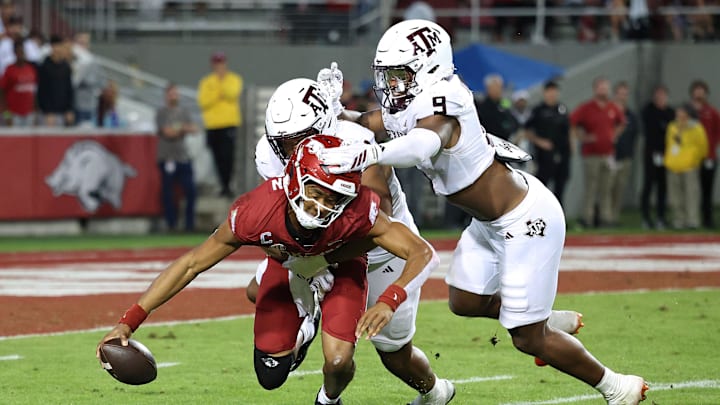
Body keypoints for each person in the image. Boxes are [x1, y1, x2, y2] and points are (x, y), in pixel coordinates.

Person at [314, 19, 648, 405]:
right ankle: (547, 319)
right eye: (387, 76)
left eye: (400, 75)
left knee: (526, 338)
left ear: (428, 68)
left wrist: (372, 152)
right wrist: (329, 113)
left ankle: (616, 386)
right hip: (488, 222)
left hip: (525, 219)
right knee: (465, 301)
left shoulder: (445, 97)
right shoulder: (410, 102)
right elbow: (366, 122)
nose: (391, 86)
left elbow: (423, 144)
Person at [96, 134, 440, 405]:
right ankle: (307, 321)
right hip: (291, 263)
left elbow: (422, 252)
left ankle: (328, 399)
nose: (321, 207)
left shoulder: (358, 209)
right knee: (270, 375)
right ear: (293, 180)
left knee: (337, 363)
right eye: (315, 192)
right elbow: (191, 265)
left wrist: (389, 299)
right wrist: (129, 320)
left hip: (341, 265)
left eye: (333, 199)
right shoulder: (256, 209)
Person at [253, 78, 455, 405]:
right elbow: (275, 215)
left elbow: (374, 223)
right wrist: (291, 255)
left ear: (323, 127)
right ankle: (309, 323)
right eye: (283, 141)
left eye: (299, 140)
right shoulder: (269, 154)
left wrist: (315, 261)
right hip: (317, 246)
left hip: (380, 253)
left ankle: (435, 392)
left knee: (394, 354)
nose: (290, 151)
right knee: (258, 290)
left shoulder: (355, 144)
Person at [571, 77, 626, 228]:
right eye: (601, 87)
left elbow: (622, 122)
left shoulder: (612, 107)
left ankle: (605, 218)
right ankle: (587, 218)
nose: (604, 90)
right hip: (591, 154)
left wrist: (614, 135)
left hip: (608, 154)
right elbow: (572, 122)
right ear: (595, 89)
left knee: (606, 188)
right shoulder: (587, 107)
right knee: (591, 187)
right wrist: (582, 137)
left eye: (606, 88)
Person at [197, 51, 242, 198]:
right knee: (217, 157)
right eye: (217, 63)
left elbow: (232, 94)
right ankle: (223, 185)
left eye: (221, 63)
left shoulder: (234, 78)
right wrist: (219, 92)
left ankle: (227, 185)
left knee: (228, 157)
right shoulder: (206, 81)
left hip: (228, 123)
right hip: (212, 125)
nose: (219, 66)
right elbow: (203, 102)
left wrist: (217, 90)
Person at [156, 83, 199, 232]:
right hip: (167, 156)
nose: (174, 96)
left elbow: (194, 128)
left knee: (191, 191)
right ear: (166, 95)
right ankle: (171, 224)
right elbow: (168, 132)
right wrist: (182, 128)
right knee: (168, 193)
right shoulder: (162, 112)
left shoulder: (184, 111)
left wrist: (179, 128)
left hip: (182, 156)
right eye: (171, 93)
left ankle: (189, 224)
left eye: (176, 93)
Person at [524, 81, 571, 205]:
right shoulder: (538, 110)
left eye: (554, 92)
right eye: (549, 92)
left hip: (562, 153)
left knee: (560, 186)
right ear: (545, 93)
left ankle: (560, 217)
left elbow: (568, 130)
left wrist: (571, 147)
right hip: (544, 155)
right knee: (541, 186)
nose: (552, 95)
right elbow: (527, 130)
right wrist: (539, 142)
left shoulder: (562, 109)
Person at [665, 103, 709, 229]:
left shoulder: (696, 127)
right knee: (675, 196)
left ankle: (692, 221)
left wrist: (694, 161)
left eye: (681, 111)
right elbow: (669, 144)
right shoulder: (672, 126)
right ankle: (679, 221)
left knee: (691, 195)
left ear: (688, 113)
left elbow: (703, 147)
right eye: (677, 111)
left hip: (690, 166)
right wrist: (670, 160)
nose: (678, 114)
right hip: (674, 166)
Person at [640, 84, 674, 229]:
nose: (660, 98)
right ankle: (646, 217)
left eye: (663, 95)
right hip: (651, 154)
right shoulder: (648, 111)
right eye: (658, 95)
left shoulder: (670, 112)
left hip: (666, 155)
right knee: (648, 185)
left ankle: (661, 217)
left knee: (663, 187)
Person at [689, 80, 720, 229]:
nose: (699, 93)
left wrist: (711, 147)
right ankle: (692, 219)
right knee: (692, 190)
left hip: (709, 157)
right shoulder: (688, 112)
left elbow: (717, 132)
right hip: (691, 158)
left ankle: (707, 219)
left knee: (707, 189)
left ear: (706, 93)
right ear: (692, 93)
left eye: (702, 90)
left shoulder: (712, 111)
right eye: (696, 90)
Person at [608, 81, 639, 225]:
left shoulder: (631, 115)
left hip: (625, 156)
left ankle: (614, 217)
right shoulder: (608, 112)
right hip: (610, 155)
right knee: (607, 189)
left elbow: (635, 134)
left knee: (620, 188)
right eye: (620, 93)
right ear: (615, 95)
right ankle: (605, 217)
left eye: (625, 94)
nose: (622, 96)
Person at [36, 34, 74, 127]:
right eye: (55, 46)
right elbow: (42, 90)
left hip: (62, 112)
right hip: (48, 114)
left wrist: (69, 109)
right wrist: (47, 111)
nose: (58, 49)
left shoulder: (66, 66)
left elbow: (69, 88)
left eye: (60, 46)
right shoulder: (45, 66)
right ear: (51, 47)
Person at [0, 39, 36, 126]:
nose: (21, 54)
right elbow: (2, 92)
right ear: (14, 53)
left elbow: (34, 91)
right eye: (18, 51)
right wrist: (6, 115)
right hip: (14, 114)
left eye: (22, 51)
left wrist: (35, 112)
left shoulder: (31, 69)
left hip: (29, 113)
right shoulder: (9, 70)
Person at [474, 73, 518, 141]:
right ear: (488, 88)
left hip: (506, 141)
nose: (498, 90)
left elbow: (512, 120)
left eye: (500, 87)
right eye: (495, 87)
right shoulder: (482, 106)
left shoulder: (504, 103)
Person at [72, 32, 103, 126]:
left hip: (88, 103)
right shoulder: (70, 58)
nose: (83, 45)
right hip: (73, 103)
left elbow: (99, 80)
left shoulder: (93, 60)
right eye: (80, 42)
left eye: (85, 42)